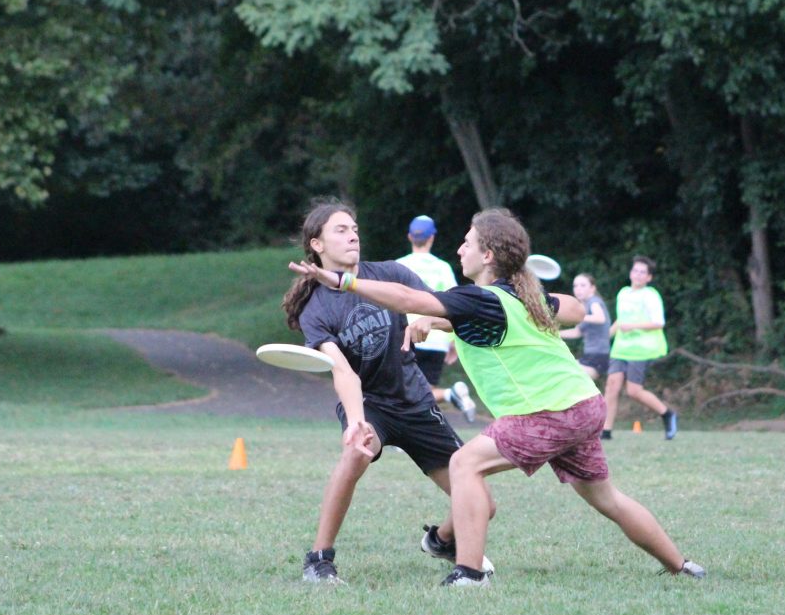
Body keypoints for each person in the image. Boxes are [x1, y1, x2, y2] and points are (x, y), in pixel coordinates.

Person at [290, 208, 704, 588]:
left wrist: (347, 282)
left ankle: (469, 575)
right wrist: (441, 322)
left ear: (487, 255)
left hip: (547, 412)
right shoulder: (516, 295)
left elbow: (411, 300)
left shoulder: (479, 298)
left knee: (465, 463)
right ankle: (681, 566)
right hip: (585, 404)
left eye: (467, 243)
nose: (459, 249)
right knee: (606, 497)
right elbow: (574, 309)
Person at [282, 200, 493, 585]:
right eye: (341, 230)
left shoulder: (392, 274)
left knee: (484, 505)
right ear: (317, 245)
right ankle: (318, 560)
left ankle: (442, 540)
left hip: (415, 401)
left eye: (354, 228)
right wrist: (358, 422)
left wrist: (428, 320)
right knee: (355, 455)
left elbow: (445, 309)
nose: (353, 235)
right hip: (371, 405)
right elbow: (342, 370)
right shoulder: (316, 308)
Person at [396, 214, 478, 423]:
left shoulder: (398, 266)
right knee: (423, 390)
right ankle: (450, 396)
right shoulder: (443, 267)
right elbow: (452, 305)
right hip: (436, 338)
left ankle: (450, 395)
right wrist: (453, 341)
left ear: (409, 237)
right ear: (432, 238)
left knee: (405, 389)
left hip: (406, 335)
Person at [603, 256, 678, 441]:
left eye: (642, 272)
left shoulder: (651, 295)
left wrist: (634, 326)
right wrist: (604, 337)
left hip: (641, 348)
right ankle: (605, 431)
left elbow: (658, 322)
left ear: (649, 278)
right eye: (635, 271)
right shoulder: (623, 293)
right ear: (630, 273)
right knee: (612, 386)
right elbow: (621, 320)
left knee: (633, 391)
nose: (638, 275)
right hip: (620, 347)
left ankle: (667, 414)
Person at [558, 273, 611, 381]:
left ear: (592, 288)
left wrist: (579, 316)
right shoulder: (585, 306)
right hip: (589, 356)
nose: (578, 289)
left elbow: (600, 318)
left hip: (597, 357)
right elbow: (577, 332)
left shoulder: (594, 301)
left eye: (583, 285)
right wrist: (554, 334)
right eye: (575, 286)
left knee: (567, 378)